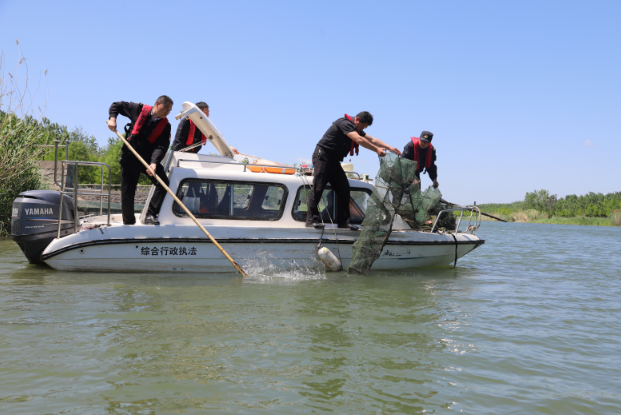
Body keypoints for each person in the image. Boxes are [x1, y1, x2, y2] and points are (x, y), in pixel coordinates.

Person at [306, 112, 401, 229]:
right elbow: (358, 139)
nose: (362, 129)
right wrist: (376, 150)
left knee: (344, 189)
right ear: (357, 120)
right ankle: (311, 219)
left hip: (334, 161)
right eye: (362, 126)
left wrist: (389, 147)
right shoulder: (344, 123)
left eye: (364, 128)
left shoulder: (356, 127)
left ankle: (343, 222)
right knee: (318, 187)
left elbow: (372, 139)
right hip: (323, 157)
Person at [107, 96, 173, 225]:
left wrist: (154, 163)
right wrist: (112, 119)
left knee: (163, 183)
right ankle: (129, 223)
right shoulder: (138, 109)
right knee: (127, 191)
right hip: (130, 156)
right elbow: (116, 105)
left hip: (148, 160)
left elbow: (161, 146)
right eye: (166, 108)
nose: (167, 112)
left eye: (170, 110)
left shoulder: (166, 126)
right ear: (157, 104)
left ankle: (151, 215)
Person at [171, 102, 239, 154]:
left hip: (193, 155)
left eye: (208, 112)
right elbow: (178, 141)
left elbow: (216, 136)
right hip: (181, 154)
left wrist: (229, 147)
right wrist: (175, 155)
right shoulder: (186, 122)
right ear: (199, 113)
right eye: (206, 112)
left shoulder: (206, 125)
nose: (208, 115)